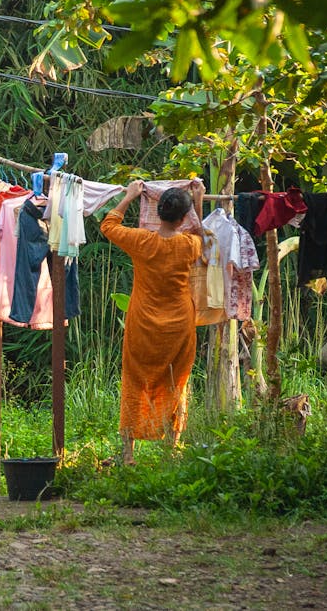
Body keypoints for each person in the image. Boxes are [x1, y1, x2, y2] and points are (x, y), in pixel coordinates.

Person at [100, 183, 204, 465]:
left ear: (157, 213)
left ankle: (128, 453)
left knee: (134, 380)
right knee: (177, 382)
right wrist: (199, 200)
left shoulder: (142, 241)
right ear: (183, 218)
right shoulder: (188, 245)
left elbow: (108, 226)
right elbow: (200, 236)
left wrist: (130, 196)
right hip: (179, 326)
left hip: (143, 323)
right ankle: (173, 448)